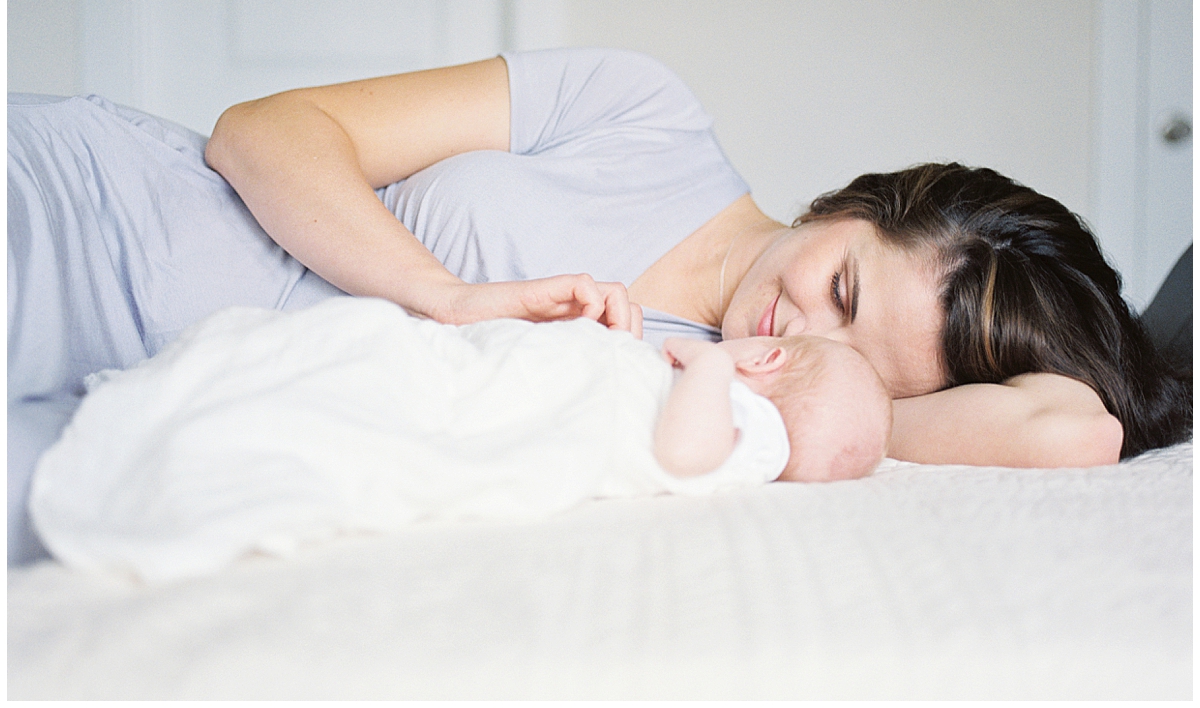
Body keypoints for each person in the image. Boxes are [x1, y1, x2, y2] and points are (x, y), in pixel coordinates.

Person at [7, 48, 1191, 562]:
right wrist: (447, 297)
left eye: (865, 365)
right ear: (860, 202)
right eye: (841, 286)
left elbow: (1070, 429)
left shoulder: (747, 407)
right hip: (96, 217)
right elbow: (264, 134)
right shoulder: (646, 112)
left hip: (167, 416)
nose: (804, 333)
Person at [29, 297, 891, 581]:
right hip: (501, 369)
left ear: (766, 360)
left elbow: (684, 453)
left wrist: (706, 370)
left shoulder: (747, 424)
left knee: (378, 390)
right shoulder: (765, 433)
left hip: (492, 399)